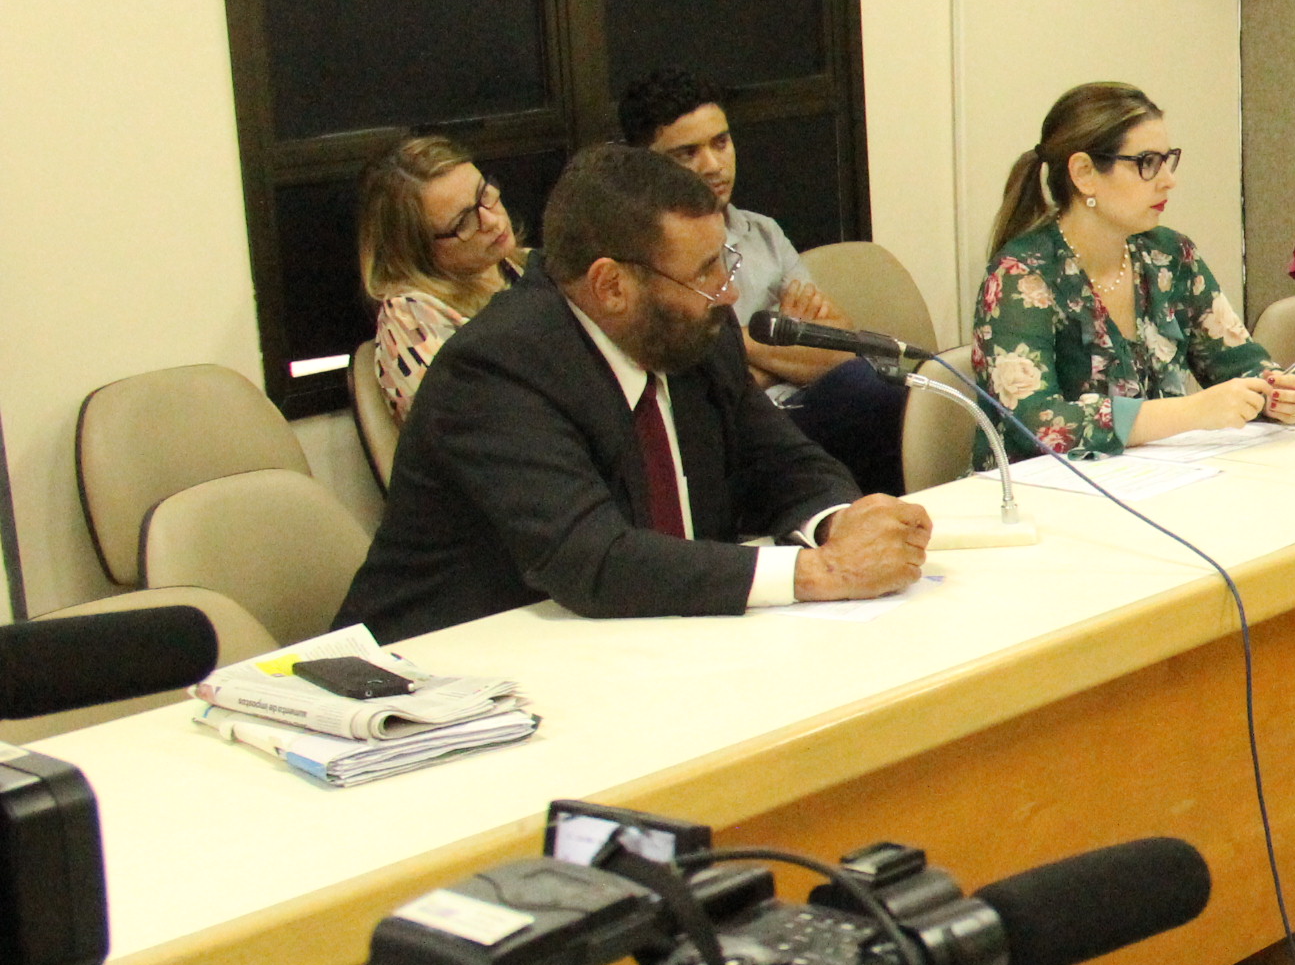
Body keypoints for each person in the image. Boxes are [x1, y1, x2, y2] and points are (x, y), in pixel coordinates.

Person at [337, 144, 929, 641]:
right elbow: (594, 559)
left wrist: (840, 523)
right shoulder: (496, 370)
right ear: (611, 285)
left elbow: (782, 462)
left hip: (627, 646)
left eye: (721, 261)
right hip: (434, 679)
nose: (727, 293)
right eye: (703, 271)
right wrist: (819, 572)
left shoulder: (694, 326)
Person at [973, 81, 1295, 458]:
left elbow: (1241, 364)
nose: (1169, 180)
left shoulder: (1170, 256)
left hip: (1157, 477)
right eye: (1147, 163)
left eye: (1168, 160)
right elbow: (1035, 424)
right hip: (1039, 487)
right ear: (1084, 173)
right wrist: (1191, 412)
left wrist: (1278, 394)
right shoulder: (1020, 274)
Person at [616, 67, 908, 493]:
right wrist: (779, 340)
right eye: (687, 153)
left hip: (801, 410)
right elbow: (690, 391)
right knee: (868, 395)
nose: (713, 165)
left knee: (883, 385)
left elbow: (841, 350)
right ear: (646, 164)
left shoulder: (762, 232)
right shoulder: (642, 257)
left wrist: (731, 348)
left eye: (721, 142)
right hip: (729, 438)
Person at [356, 134, 521, 421]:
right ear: (416, 250)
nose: (493, 221)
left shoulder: (524, 265)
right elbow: (479, 429)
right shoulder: (409, 320)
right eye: (464, 222)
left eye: (485, 194)